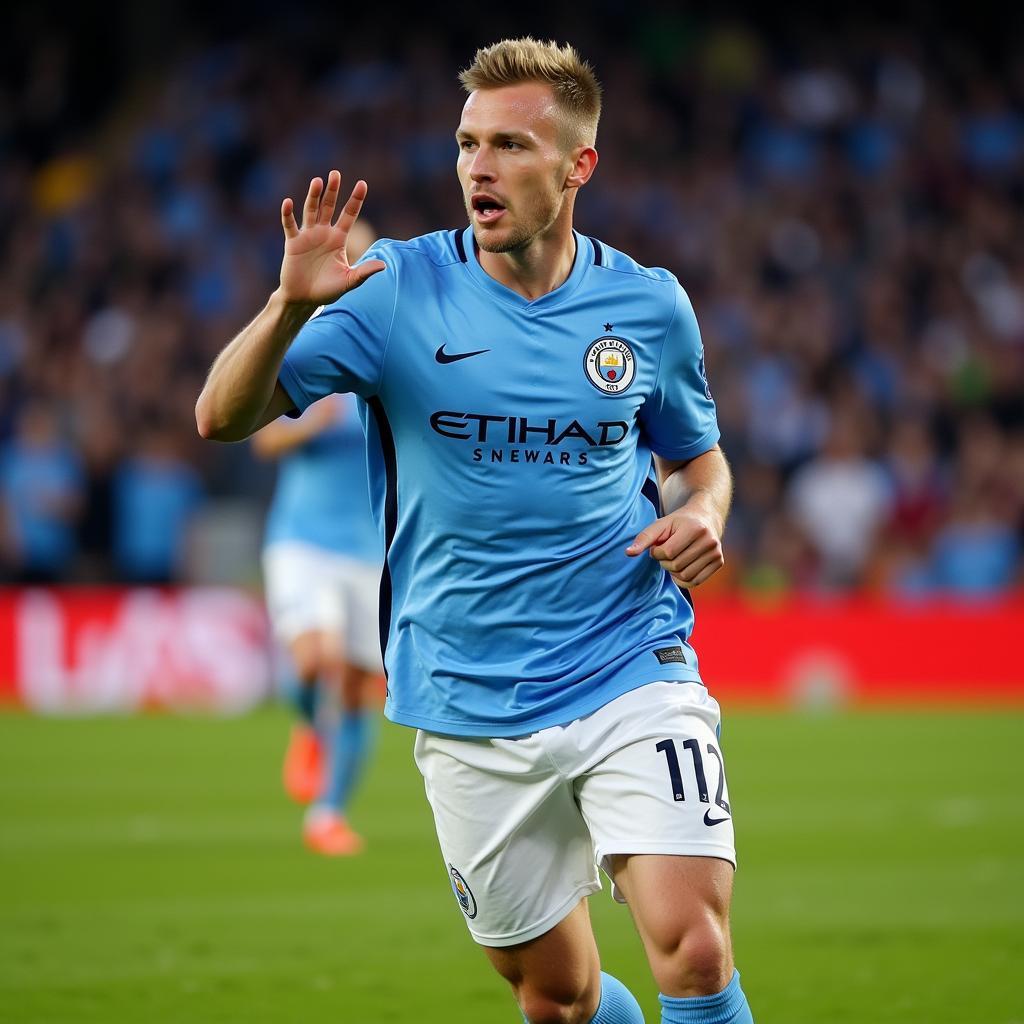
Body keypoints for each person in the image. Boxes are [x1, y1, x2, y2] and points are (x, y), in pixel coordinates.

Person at [197, 37, 753, 1024]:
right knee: (559, 996)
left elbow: (696, 457)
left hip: (630, 660)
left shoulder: (648, 305)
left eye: (506, 145)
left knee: (695, 948)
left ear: (577, 165)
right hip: (464, 692)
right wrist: (286, 306)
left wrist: (702, 512)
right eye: (466, 143)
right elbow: (221, 417)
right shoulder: (396, 290)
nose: (477, 168)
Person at [252, 219, 384, 856]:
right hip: (303, 539)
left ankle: (327, 813)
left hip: (371, 548)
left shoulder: (391, 351)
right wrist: (308, 425)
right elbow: (258, 434)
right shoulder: (304, 346)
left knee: (361, 685)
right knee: (313, 662)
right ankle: (310, 725)